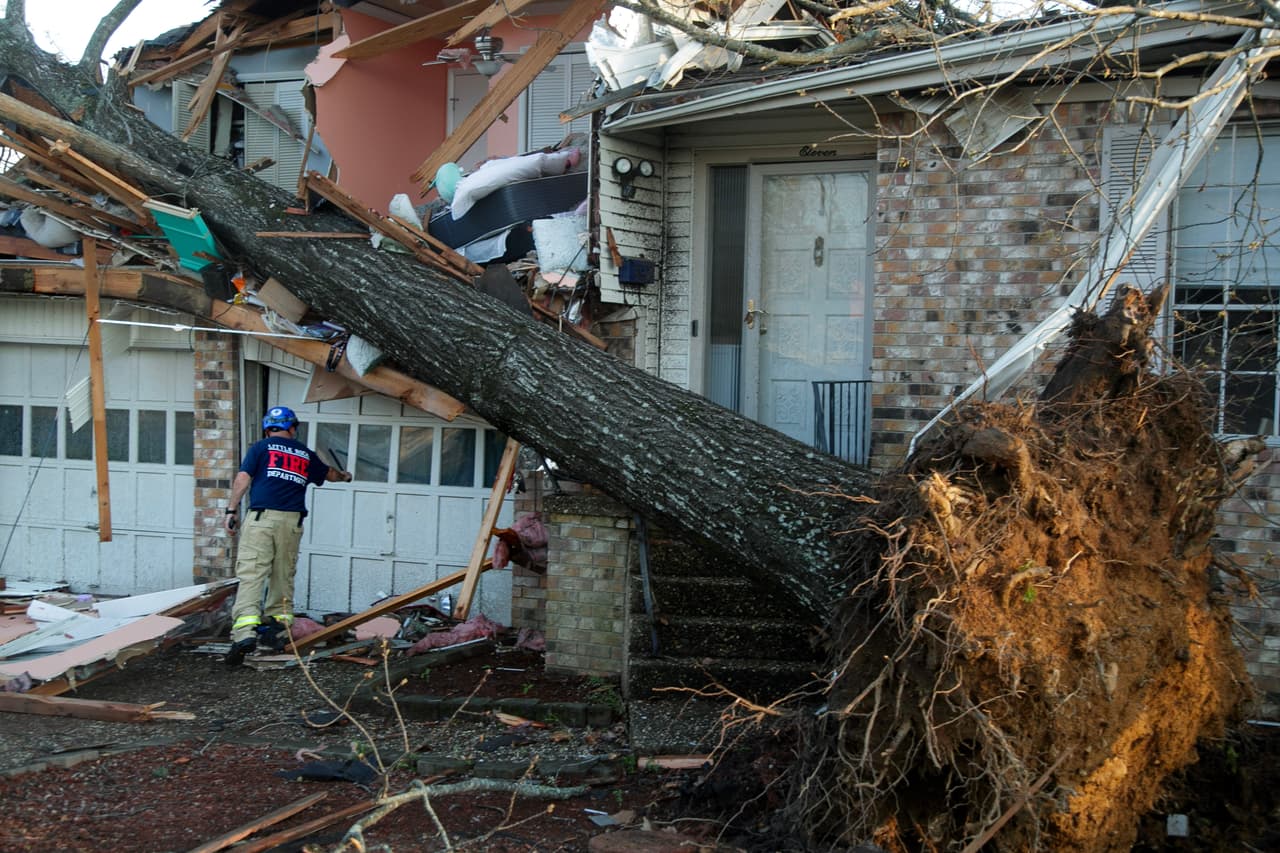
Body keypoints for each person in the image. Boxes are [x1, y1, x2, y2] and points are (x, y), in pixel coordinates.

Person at [223, 405, 352, 665]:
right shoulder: (305, 453)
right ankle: (277, 632)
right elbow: (330, 474)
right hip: (292, 523)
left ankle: (244, 634)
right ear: (292, 427)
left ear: (268, 427)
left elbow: (243, 478)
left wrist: (231, 509)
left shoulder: (260, 448)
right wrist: (345, 476)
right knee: (283, 575)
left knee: (252, 573)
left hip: (262, 519)